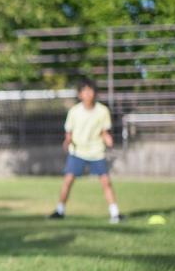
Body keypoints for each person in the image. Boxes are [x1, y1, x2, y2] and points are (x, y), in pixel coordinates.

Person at [49, 78, 125, 223]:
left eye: (90, 90)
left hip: (96, 152)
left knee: (106, 182)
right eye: (85, 91)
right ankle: (60, 210)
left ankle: (115, 213)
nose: (88, 94)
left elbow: (104, 132)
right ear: (80, 94)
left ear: (94, 93)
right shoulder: (74, 111)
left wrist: (108, 139)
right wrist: (67, 140)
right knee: (68, 181)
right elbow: (69, 132)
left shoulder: (102, 111)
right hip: (77, 152)